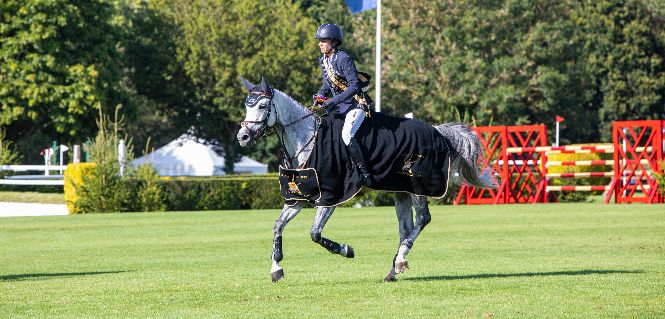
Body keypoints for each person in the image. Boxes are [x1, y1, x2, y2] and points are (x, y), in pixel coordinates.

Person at [313, 23, 374, 187]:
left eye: (323, 41)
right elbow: (326, 85)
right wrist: (319, 97)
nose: (320, 44)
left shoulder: (344, 58)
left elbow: (354, 86)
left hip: (356, 104)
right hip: (340, 106)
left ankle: (365, 172)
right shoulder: (324, 60)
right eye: (319, 41)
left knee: (347, 135)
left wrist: (332, 101)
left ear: (333, 42)